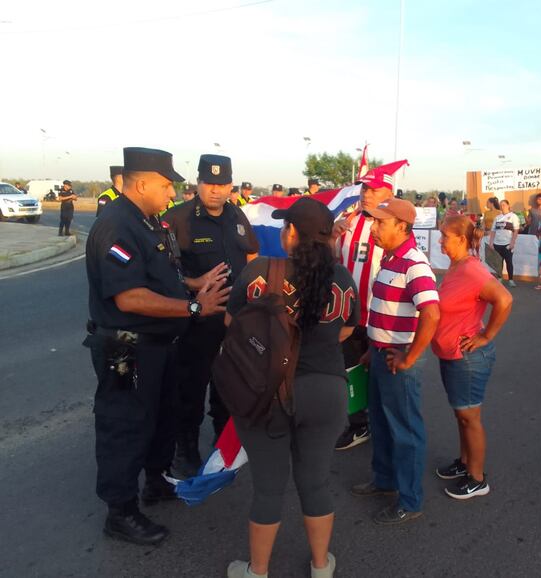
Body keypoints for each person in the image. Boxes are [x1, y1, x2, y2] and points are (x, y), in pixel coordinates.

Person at [84, 147, 230, 545]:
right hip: (129, 349)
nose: (171, 193)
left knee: (160, 419)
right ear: (143, 182)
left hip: (160, 346)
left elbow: (162, 274)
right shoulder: (116, 226)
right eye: (167, 185)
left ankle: (156, 482)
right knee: (125, 427)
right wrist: (195, 306)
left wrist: (192, 285)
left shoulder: (148, 223)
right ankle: (121, 512)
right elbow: (129, 297)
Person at [226, 197, 358, 578]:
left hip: (267, 391)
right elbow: (345, 331)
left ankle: (258, 571)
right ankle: (320, 566)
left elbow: (234, 327)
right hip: (326, 390)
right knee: (315, 482)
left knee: (268, 488)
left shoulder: (259, 272)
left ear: (292, 233)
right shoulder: (343, 278)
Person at [162, 154, 260, 477]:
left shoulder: (237, 215)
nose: (216, 191)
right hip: (196, 321)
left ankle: (223, 449)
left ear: (231, 185)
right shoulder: (177, 219)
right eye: (210, 183)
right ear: (199, 182)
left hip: (233, 324)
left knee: (227, 388)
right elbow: (162, 273)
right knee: (190, 389)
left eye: (222, 184)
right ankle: (186, 454)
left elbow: (252, 252)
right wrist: (194, 283)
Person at [351, 198, 440, 525]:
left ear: (402, 227)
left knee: (405, 430)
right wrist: (371, 348)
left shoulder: (414, 263)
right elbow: (386, 310)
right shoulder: (390, 259)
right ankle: (385, 479)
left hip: (398, 360)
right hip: (380, 354)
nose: (373, 229)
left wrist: (410, 357)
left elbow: (431, 313)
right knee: (381, 422)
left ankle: (410, 499)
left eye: (380, 223)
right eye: (373, 222)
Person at [331, 159, 409, 451]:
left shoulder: (394, 225)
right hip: (349, 313)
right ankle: (358, 423)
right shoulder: (349, 219)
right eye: (364, 188)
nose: (366, 193)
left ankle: (386, 425)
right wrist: (332, 236)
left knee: (383, 372)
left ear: (389, 192)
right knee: (351, 368)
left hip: (382, 315)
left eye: (374, 189)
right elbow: (333, 261)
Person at [432, 215, 512, 499]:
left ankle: (477, 478)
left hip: (467, 357)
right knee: (461, 414)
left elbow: (504, 299)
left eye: (444, 236)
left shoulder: (472, 270)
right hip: (452, 354)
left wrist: (486, 336)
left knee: (469, 416)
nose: (440, 240)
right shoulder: (457, 266)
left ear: (462, 240)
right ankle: (465, 462)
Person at [489, 199, 519, 287]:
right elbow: (493, 231)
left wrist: (512, 242)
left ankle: (511, 280)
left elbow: (516, 230)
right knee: (499, 262)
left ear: (508, 205)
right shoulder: (497, 218)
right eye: (501, 205)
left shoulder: (513, 216)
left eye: (504, 205)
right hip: (497, 244)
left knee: (509, 262)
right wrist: (491, 243)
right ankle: (499, 278)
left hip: (507, 244)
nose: (502, 207)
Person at [482, 197, 503, 277]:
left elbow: (499, 225)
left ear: (491, 203)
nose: (486, 204)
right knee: (486, 253)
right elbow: (483, 223)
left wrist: (490, 232)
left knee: (495, 254)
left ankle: (497, 273)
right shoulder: (486, 212)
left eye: (487, 202)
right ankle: (487, 272)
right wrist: (483, 231)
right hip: (486, 234)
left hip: (495, 234)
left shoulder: (499, 212)